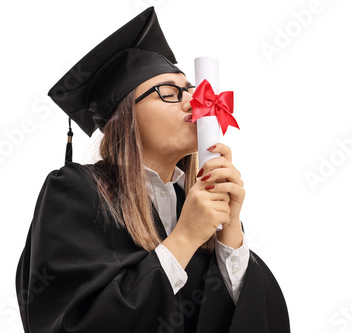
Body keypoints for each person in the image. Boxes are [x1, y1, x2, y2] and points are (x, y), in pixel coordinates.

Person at [15, 7, 290, 333]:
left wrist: (229, 236)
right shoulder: (76, 191)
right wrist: (185, 237)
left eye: (190, 90)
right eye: (170, 93)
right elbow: (72, 323)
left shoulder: (192, 199)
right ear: (125, 114)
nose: (194, 102)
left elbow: (257, 322)